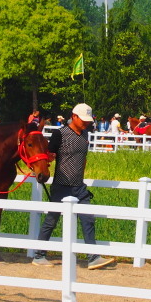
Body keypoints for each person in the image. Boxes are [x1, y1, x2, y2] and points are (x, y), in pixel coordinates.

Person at [32, 103, 114, 270]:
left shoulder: (85, 134)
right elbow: (49, 156)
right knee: (52, 219)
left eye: (88, 121)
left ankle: (93, 257)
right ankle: (39, 255)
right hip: (62, 185)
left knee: (88, 219)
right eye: (83, 120)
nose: (86, 123)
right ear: (74, 116)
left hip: (79, 186)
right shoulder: (59, 134)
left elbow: (83, 159)